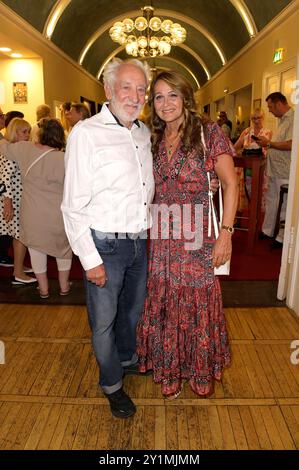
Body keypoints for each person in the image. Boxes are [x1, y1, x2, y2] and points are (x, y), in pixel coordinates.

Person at [61, 58, 155, 419]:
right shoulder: (86, 133)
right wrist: (91, 258)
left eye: (141, 89)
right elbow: (72, 206)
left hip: (138, 242)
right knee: (103, 321)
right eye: (127, 87)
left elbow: (147, 186)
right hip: (105, 246)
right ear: (109, 90)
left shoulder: (142, 133)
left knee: (131, 313)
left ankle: (127, 359)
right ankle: (112, 385)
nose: (135, 96)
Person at [136, 71, 238, 399]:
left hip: (196, 234)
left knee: (196, 299)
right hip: (160, 233)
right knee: (164, 299)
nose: (166, 104)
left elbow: (230, 183)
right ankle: (169, 368)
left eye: (173, 95)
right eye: (159, 97)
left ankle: (198, 366)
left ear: (186, 98)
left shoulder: (208, 133)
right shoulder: (149, 137)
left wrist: (226, 233)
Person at [0, 118, 72, 298]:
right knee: (63, 249)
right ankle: (64, 287)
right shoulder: (65, 158)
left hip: (31, 213)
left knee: (35, 248)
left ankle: (44, 289)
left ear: (39, 134)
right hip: (58, 213)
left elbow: (3, 146)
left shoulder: (24, 149)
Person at [0, 117, 37, 284]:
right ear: (15, 132)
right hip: (12, 200)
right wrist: (8, 202)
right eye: (24, 131)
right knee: (20, 236)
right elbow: (4, 178)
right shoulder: (11, 150)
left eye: (28, 131)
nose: (28, 135)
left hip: (18, 199)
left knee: (21, 235)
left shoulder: (16, 149)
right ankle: (18, 273)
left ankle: (19, 266)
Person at [257, 92, 294, 246]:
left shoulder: (293, 118)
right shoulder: (282, 120)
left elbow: (292, 144)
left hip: (285, 170)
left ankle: (281, 237)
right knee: (272, 201)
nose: (270, 111)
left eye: (271, 107)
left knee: (284, 204)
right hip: (275, 169)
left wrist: (269, 143)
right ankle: (268, 230)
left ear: (279, 103)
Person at [234, 108, 272, 210]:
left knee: (258, 194)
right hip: (246, 168)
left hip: (261, 168)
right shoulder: (246, 132)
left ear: (262, 118)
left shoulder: (268, 132)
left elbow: (269, 150)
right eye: (253, 118)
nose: (256, 121)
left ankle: (256, 219)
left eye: (258, 118)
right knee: (247, 192)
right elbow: (235, 147)